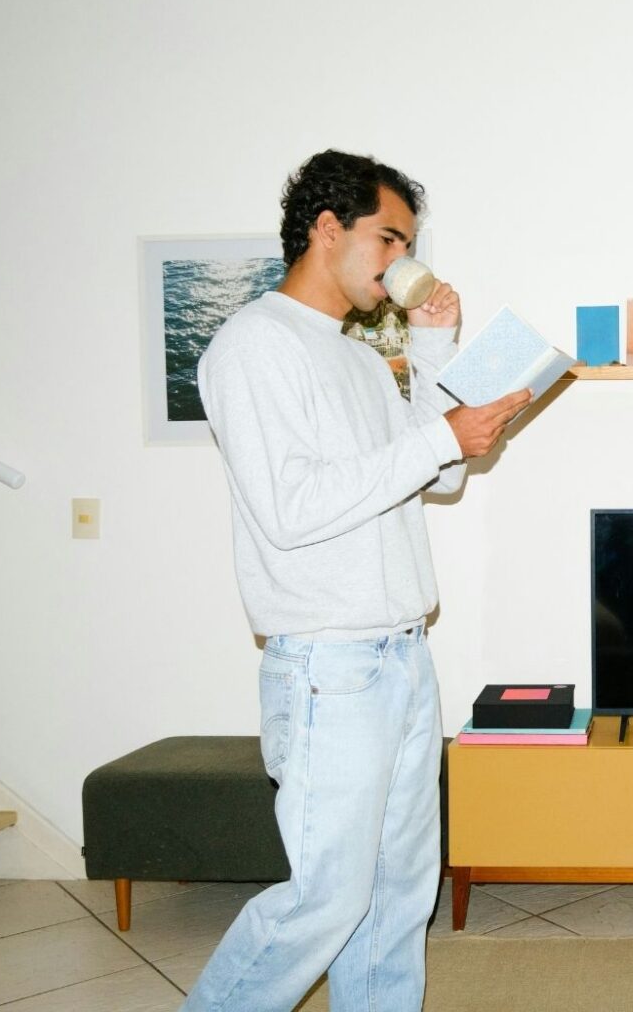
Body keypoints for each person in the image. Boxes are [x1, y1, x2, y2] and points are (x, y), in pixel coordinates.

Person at [181, 149, 530, 1012]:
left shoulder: (350, 353)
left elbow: (434, 476)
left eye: (407, 244)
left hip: (403, 656)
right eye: (389, 239)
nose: (402, 262)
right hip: (330, 666)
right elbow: (292, 509)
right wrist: (439, 435)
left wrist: (437, 351)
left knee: (395, 896)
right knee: (324, 900)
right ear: (326, 229)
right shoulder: (252, 344)